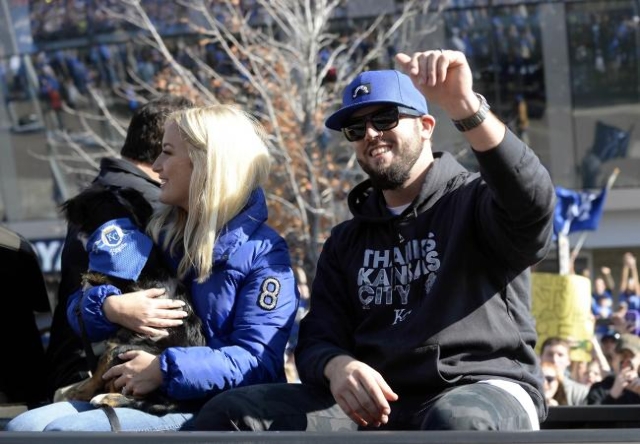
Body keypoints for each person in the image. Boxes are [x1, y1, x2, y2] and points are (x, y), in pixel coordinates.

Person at [194, 48, 555, 432]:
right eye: (356, 128)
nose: (371, 134)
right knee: (232, 413)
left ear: (426, 126)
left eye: (385, 119)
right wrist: (338, 366)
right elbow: (317, 338)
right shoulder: (347, 240)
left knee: (457, 423)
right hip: (376, 406)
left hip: (484, 386)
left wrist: (465, 106)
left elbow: (532, 202)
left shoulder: (476, 201)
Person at [7, 104, 300, 431]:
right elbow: (77, 309)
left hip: (222, 408)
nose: (157, 166)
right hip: (147, 393)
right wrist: (109, 307)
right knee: (24, 429)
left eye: (167, 153)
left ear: (206, 163)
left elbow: (257, 360)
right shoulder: (155, 230)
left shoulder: (265, 254)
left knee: (65, 434)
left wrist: (164, 368)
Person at [45, 94, 194, 401]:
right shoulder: (136, 203)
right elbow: (121, 301)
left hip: (92, 365)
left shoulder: (107, 193)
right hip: (103, 373)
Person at [587, 333, 640, 405]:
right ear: (614, 360)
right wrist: (612, 395)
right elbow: (592, 415)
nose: (626, 361)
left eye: (631, 356)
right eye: (622, 356)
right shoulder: (600, 389)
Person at [539, 337, 589, 406]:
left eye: (560, 355)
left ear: (568, 360)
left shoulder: (580, 392)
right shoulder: (530, 387)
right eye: (550, 354)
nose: (554, 360)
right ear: (540, 358)